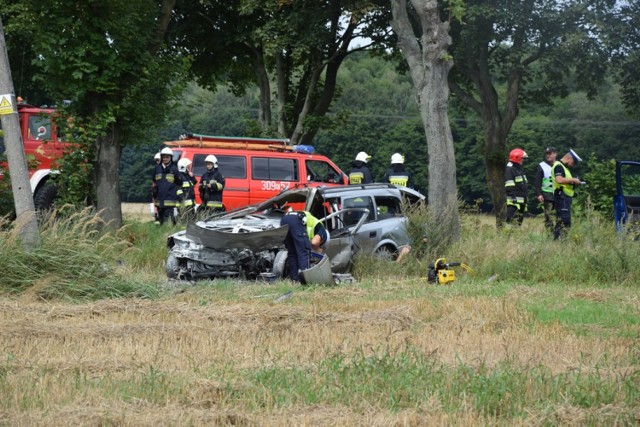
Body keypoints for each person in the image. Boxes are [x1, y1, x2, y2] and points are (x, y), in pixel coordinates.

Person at [279, 211, 328, 282]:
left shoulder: (312, 223)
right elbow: (314, 243)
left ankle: (295, 280)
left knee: (292, 253)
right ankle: (306, 281)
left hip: (284, 219)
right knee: (304, 252)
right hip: (296, 220)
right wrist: (318, 249)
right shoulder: (323, 231)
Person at [552, 149, 583, 240]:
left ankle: (559, 241)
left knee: (564, 221)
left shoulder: (564, 168)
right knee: (564, 221)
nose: (573, 165)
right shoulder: (559, 166)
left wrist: (573, 182)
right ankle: (559, 241)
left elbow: (565, 181)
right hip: (562, 197)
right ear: (569, 158)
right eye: (573, 163)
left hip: (565, 198)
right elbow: (559, 180)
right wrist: (573, 180)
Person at [152, 147, 182, 225]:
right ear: (161, 157)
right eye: (163, 156)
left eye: (167, 157)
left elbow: (179, 183)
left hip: (170, 201)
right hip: (159, 201)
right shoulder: (157, 168)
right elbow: (154, 181)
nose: (165, 158)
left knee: (168, 222)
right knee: (160, 222)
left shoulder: (174, 169)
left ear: (170, 158)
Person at [534, 146, 557, 232]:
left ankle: (558, 234)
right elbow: (537, 181)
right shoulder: (541, 166)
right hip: (547, 195)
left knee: (559, 216)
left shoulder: (559, 165)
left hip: (558, 195)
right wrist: (539, 194)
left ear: (555, 154)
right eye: (547, 154)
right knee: (548, 216)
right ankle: (550, 234)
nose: (548, 155)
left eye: (550, 153)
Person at [504, 148, 528, 226]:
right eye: (522, 159)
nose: (523, 160)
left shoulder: (518, 169)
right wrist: (514, 197)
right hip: (514, 202)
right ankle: (507, 237)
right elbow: (509, 185)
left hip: (521, 202)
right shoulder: (510, 169)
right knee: (510, 223)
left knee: (518, 224)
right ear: (517, 158)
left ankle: (515, 238)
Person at [177, 158, 197, 222]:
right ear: (183, 167)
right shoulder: (179, 177)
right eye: (188, 166)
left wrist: (192, 176)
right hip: (184, 205)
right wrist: (183, 202)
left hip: (190, 205)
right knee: (184, 222)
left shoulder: (187, 176)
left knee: (191, 221)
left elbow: (194, 183)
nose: (189, 167)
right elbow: (178, 191)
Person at [151, 152, 161, 224]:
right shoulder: (156, 169)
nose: (157, 162)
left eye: (158, 160)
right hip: (156, 191)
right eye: (156, 160)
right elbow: (153, 180)